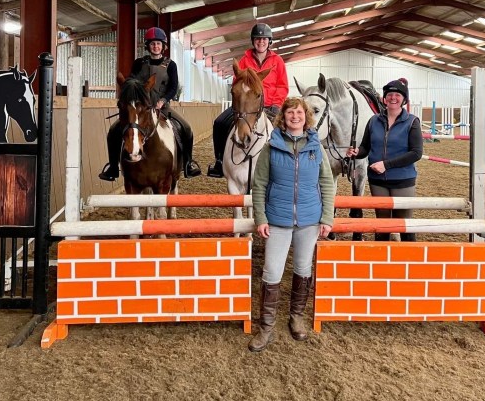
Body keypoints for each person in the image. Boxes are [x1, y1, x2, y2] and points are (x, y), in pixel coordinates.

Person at [248, 97, 335, 352]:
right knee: (271, 272)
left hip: (309, 220)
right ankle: (266, 327)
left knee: (303, 269)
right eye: (290, 113)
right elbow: (259, 184)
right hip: (278, 219)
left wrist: (327, 218)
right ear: (283, 117)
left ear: (306, 117)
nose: (295, 116)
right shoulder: (271, 147)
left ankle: (296, 317)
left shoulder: (316, 148)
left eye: (299, 113)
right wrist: (261, 218)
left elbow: (327, 183)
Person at [98, 27, 201, 181]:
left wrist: (163, 100)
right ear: (148, 46)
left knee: (186, 128)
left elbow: (173, 87)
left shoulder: (171, 65)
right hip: (141, 108)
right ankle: (113, 167)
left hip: (162, 107)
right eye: (152, 44)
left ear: (163, 46)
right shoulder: (139, 63)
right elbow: (131, 82)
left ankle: (188, 163)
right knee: (113, 130)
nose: (155, 46)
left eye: (158, 44)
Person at [206, 23, 289, 178]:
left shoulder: (277, 61)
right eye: (258, 39)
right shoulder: (244, 60)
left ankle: (287, 166)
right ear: (253, 41)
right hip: (246, 106)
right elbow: (237, 84)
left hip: (270, 106)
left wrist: (276, 105)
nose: (261, 42)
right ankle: (219, 161)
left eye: (264, 39)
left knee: (288, 129)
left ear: (269, 41)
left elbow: (282, 86)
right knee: (219, 123)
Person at [346, 78, 423, 242]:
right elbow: (365, 147)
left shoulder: (412, 122)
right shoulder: (373, 121)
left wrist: (386, 165)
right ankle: (381, 254)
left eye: (397, 95)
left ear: (404, 99)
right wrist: (356, 152)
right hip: (377, 180)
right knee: (381, 224)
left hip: (403, 180)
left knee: (404, 224)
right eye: (389, 94)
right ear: (384, 98)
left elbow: (416, 153)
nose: (393, 98)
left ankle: (410, 255)